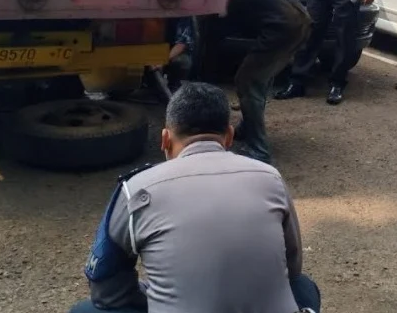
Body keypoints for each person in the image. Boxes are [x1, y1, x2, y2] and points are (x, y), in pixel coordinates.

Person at [71, 82, 322, 313]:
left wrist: (153, 297)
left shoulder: (136, 189)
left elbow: (106, 289)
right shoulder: (271, 178)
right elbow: (293, 268)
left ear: (165, 140)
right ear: (230, 136)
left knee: (85, 310)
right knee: (305, 288)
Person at [226, 0, 312, 164]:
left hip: (285, 25)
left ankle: (259, 149)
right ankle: (247, 128)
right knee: (260, 77)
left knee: (247, 80)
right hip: (300, 20)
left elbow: (215, 34)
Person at [163, 17, 195, 92]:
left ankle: (174, 85)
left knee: (181, 61)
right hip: (152, 50)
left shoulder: (183, 17)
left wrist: (162, 60)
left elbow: (181, 44)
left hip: (172, 52)